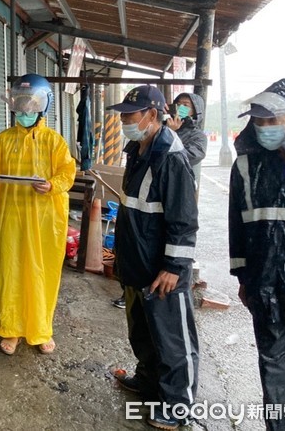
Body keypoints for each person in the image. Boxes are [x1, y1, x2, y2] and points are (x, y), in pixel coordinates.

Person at [107, 85, 199, 429]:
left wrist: (174, 267)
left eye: (131, 114)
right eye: (123, 114)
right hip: (136, 261)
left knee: (172, 339)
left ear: (153, 114)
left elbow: (184, 220)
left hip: (162, 270)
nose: (124, 119)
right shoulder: (138, 149)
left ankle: (178, 404)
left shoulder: (171, 156)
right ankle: (147, 382)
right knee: (142, 332)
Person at [0, 74, 76, 356]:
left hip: (44, 219)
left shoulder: (54, 142)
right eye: (21, 105)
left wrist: (53, 184)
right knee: (10, 270)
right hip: (9, 216)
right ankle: (10, 329)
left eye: (31, 106)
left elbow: (67, 173)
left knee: (41, 274)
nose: (25, 112)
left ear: (43, 107)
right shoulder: (4, 139)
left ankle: (41, 329)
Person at [229, 78, 285, 430]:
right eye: (259, 121)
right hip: (267, 286)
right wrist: (243, 279)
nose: (264, 129)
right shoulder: (246, 167)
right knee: (277, 374)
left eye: (272, 120)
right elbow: (238, 227)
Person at [165, 92, 207, 185]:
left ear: (195, 110)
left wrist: (170, 134)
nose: (180, 108)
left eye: (185, 105)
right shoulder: (163, 125)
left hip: (180, 182)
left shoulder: (198, 136)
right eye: (178, 104)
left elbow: (186, 157)